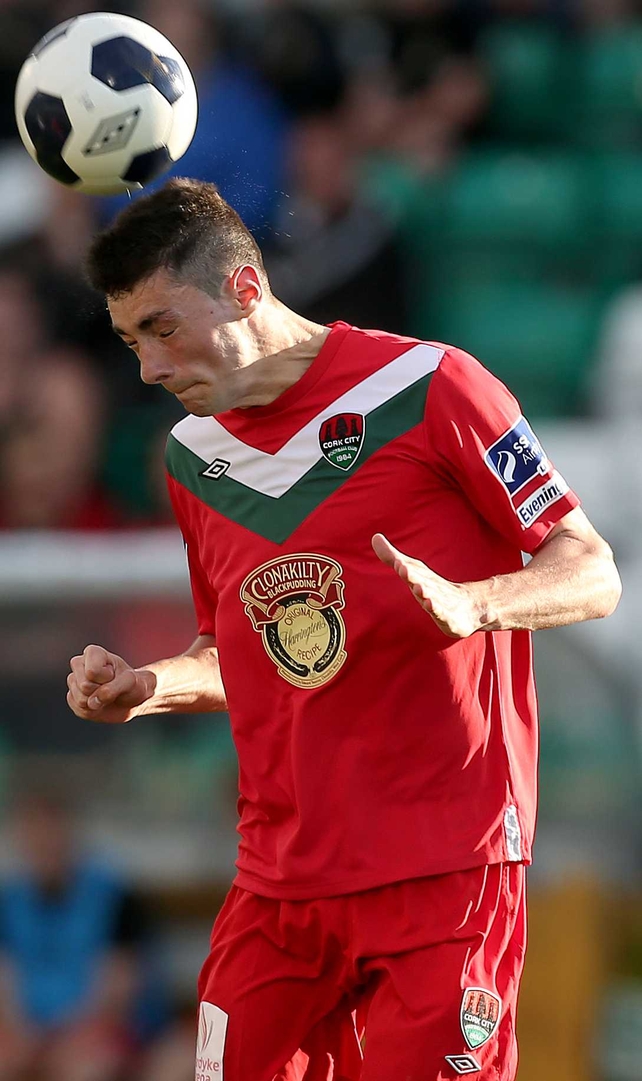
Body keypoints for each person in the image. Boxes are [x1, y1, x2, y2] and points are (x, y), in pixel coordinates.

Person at [66, 178, 621, 1081]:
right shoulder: (194, 456)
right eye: (131, 341)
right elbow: (233, 653)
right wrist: (148, 686)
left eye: (163, 328)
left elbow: (592, 568)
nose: (148, 369)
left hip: (444, 869)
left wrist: (477, 602)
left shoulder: (432, 386)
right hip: (279, 886)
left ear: (245, 288)